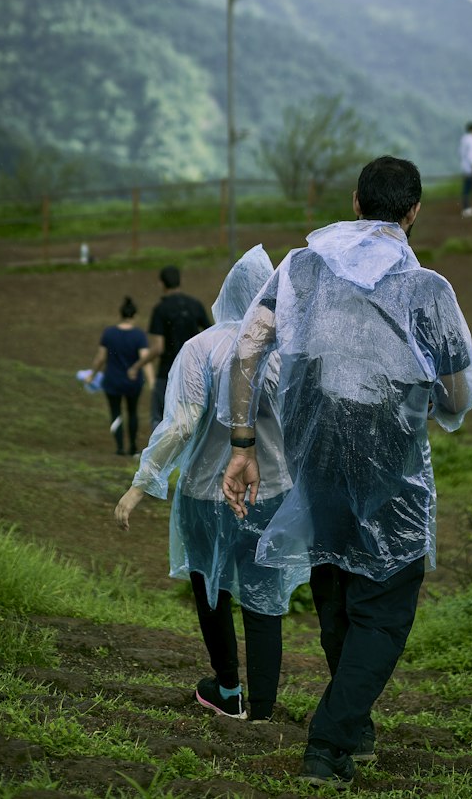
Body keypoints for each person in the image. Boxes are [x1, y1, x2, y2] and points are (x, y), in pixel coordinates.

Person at [221, 155, 472, 789]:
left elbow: (247, 350)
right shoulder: (428, 290)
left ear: (356, 202)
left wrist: (243, 442)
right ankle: (329, 740)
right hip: (388, 469)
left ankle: (353, 728)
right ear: (414, 211)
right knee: (386, 608)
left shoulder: (301, 267)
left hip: (316, 460)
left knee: (337, 589)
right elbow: (457, 394)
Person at [115, 246, 302, 722]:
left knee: (211, 590)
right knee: (264, 598)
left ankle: (227, 690)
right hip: (270, 493)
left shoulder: (200, 348)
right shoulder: (286, 351)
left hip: (205, 493)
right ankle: (261, 710)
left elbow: (179, 424)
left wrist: (141, 484)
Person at [146, 265, 212, 432]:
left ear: (161, 284)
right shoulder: (195, 305)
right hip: (193, 372)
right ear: (180, 281)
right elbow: (211, 334)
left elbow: (158, 348)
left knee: (160, 417)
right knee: (190, 417)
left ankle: (159, 456)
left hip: (167, 371)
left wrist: (138, 365)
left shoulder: (160, 310)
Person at [88, 297, 149, 457]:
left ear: (120, 315)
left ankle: (120, 447)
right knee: (133, 412)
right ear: (134, 316)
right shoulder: (139, 335)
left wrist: (91, 375)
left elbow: (100, 358)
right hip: (133, 382)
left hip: (112, 381)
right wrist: (150, 379)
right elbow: (145, 357)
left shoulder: (109, 333)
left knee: (116, 413)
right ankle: (133, 446)